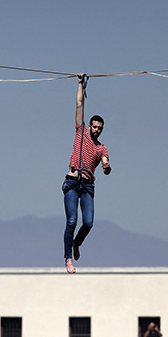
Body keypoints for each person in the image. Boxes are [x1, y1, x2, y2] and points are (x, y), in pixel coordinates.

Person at [62, 73, 111, 274]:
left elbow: (106, 164)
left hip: (88, 186)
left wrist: (106, 167)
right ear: (89, 126)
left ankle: (77, 243)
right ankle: (67, 258)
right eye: (94, 127)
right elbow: (79, 105)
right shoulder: (80, 133)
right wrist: (80, 84)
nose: (96, 130)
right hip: (73, 182)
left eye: (100, 128)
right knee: (72, 220)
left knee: (88, 222)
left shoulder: (102, 149)